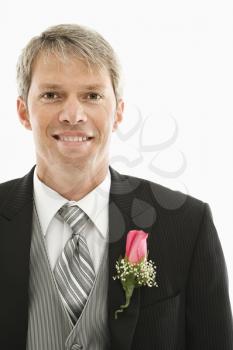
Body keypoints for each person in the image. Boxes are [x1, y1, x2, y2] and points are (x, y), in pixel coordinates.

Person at [0, 24, 232, 350]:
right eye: (52, 95)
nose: (72, 114)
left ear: (118, 112)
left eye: (92, 95)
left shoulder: (188, 224)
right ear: (24, 112)